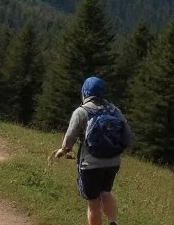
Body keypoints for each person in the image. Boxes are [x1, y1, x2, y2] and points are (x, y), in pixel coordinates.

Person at [53, 76, 132, 225]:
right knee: (106, 193)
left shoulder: (81, 112)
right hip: (113, 163)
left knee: (93, 203)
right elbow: (127, 136)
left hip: (90, 165)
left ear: (85, 92)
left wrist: (63, 150)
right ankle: (113, 222)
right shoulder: (115, 111)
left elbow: (70, 137)